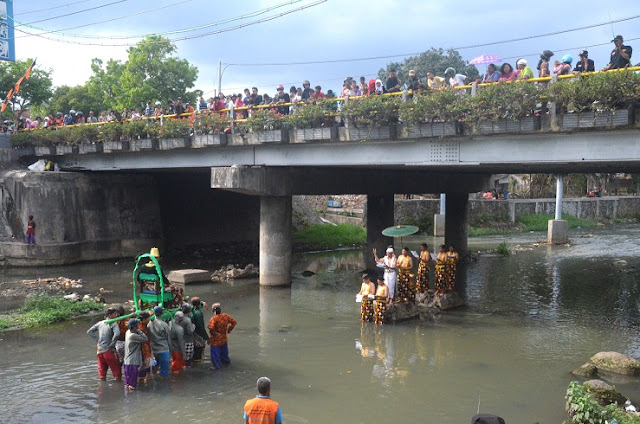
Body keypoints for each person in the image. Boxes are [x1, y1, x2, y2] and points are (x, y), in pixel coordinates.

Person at [87, 308, 121, 381]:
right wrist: (112, 344)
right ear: (110, 315)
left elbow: (89, 332)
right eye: (115, 314)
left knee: (102, 373)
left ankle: (102, 389)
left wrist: (97, 340)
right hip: (109, 351)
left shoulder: (100, 323)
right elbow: (117, 334)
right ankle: (118, 389)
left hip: (100, 351)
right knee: (116, 372)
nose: (117, 315)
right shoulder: (113, 324)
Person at [207, 302, 237, 370]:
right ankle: (227, 367)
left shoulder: (213, 319)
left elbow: (211, 327)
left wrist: (214, 333)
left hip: (215, 341)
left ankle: (218, 369)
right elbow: (234, 322)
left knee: (216, 358)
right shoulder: (225, 316)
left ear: (214, 311)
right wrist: (229, 330)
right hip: (224, 339)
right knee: (225, 357)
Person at [123, 318, 148, 390]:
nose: (139, 326)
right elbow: (145, 338)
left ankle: (128, 397)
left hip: (127, 361)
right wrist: (139, 330)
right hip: (132, 362)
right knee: (132, 385)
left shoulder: (127, 332)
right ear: (135, 327)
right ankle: (132, 399)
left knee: (127, 383)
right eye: (137, 326)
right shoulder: (133, 336)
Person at [147, 305, 171, 378]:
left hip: (154, 350)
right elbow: (168, 337)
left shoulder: (149, 324)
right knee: (164, 373)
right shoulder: (164, 324)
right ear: (162, 313)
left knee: (154, 370)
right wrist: (171, 349)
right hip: (163, 349)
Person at [136, 311, 153, 384]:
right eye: (148, 318)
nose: (149, 320)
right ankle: (142, 384)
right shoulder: (140, 328)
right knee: (143, 369)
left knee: (147, 369)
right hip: (143, 351)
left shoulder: (142, 324)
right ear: (143, 320)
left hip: (147, 349)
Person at [190, 297, 208, 362]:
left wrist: (202, 303)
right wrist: (206, 337)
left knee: (194, 352)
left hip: (192, 335)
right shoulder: (198, 314)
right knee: (198, 354)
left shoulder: (191, 310)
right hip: (198, 335)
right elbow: (201, 327)